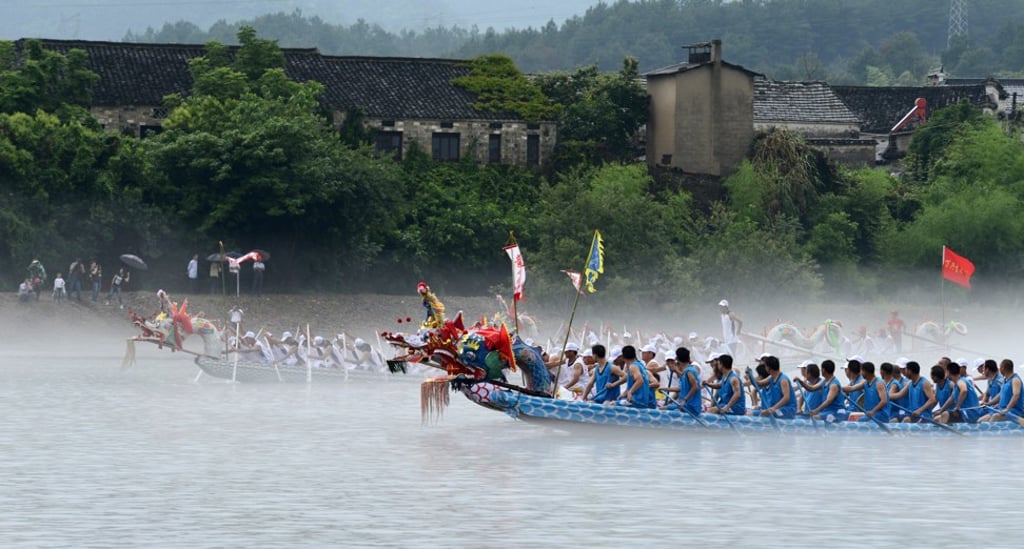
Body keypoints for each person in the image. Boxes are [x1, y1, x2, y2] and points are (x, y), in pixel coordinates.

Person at [662, 348, 701, 414]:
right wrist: (664, 388)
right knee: (662, 409)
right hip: (685, 405)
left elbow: (695, 387)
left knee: (663, 411)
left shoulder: (689, 371)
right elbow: (680, 388)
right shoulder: (686, 371)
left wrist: (684, 400)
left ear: (677, 358)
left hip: (690, 407)